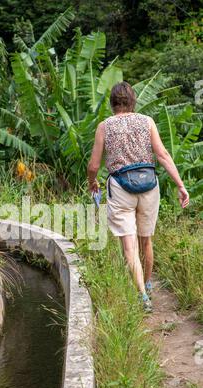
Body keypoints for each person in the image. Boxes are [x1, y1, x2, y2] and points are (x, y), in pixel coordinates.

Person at [87, 81, 189, 312]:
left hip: (121, 188)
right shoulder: (147, 121)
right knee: (146, 240)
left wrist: (92, 183)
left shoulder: (105, 126)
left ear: (113, 104)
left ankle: (142, 296)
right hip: (148, 186)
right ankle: (149, 283)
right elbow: (162, 154)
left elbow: (93, 165)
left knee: (129, 245)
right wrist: (180, 185)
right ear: (133, 101)